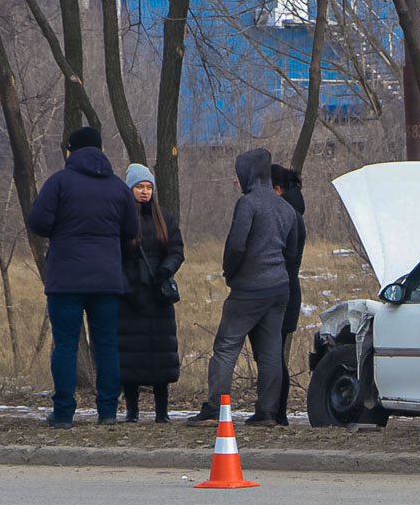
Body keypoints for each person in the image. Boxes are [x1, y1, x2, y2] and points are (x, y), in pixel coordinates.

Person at [27, 126, 138, 428]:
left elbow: (38, 222)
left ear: (71, 151)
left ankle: (63, 412)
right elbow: (131, 231)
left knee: (65, 344)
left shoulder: (60, 182)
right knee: (107, 344)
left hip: (67, 278)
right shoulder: (117, 187)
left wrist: (61, 230)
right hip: (106, 279)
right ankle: (108, 411)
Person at [187, 148, 302, 426]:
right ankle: (267, 412)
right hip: (278, 290)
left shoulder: (248, 204)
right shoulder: (286, 208)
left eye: (237, 174)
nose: (235, 180)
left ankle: (215, 408)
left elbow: (236, 245)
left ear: (247, 174)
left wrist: (231, 272)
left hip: (249, 289)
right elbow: (292, 252)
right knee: (271, 352)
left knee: (226, 347)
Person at [118, 164, 185, 423]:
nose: (145, 192)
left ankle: (162, 412)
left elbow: (177, 249)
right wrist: (125, 286)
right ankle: (132, 410)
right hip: (130, 296)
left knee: (161, 355)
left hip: (159, 295)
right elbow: (115, 256)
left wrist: (166, 269)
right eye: (139, 187)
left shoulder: (164, 217)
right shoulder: (122, 219)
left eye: (148, 187)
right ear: (130, 189)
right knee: (129, 355)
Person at [269, 163, 306, 425]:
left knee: (272, 353)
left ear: (277, 190)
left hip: (283, 291)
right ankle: (275, 410)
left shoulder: (289, 217)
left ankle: (277, 411)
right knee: (272, 352)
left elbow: (286, 258)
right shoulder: (292, 213)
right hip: (287, 290)